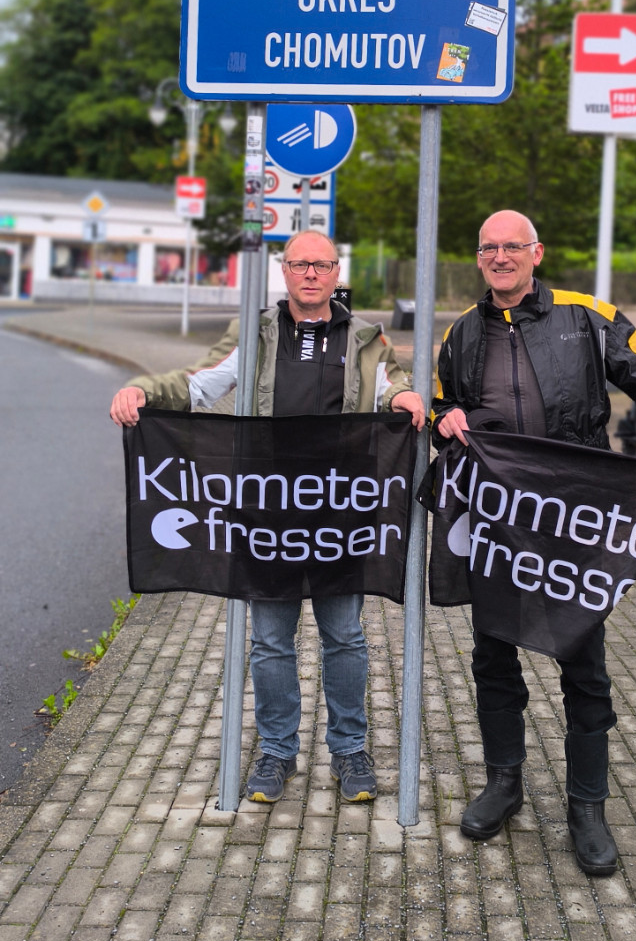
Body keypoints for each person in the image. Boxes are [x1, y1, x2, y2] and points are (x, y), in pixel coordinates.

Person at [432, 209, 636, 873]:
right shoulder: (460, 333)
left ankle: (587, 807)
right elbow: (442, 407)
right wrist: (442, 417)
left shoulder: (587, 315)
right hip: (499, 520)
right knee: (492, 654)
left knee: (583, 661)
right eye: (489, 248)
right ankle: (504, 782)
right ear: (478, 258)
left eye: (513, 247)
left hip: (575, 516)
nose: (501, 257)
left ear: (536, 253)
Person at [110, 231, 425, 806]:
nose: (311, 274)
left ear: (336, 272)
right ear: (285, 270)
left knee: (345, 637)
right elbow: (198, 383)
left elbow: (392, 386)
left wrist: (403, 399)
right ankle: (278, 751)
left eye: (321, 265)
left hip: (340, 512)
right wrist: (142, 390)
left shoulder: (365, 337)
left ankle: (350, 749)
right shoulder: (255, 334)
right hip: (267, 513)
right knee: (271, 641)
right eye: (300, 264)